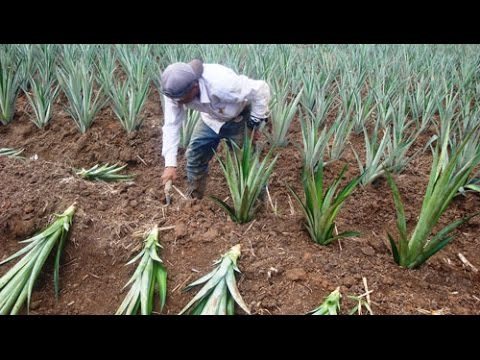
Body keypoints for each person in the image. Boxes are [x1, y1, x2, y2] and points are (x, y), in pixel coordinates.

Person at [159, 59, 271, 199]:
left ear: (194, 87)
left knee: (246, 161)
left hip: (238, 117)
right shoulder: (174, 92)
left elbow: (261, 89)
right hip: (210, 119)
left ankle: (258, 201)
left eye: (181, 99)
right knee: (195, 155)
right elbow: (171, 124)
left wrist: (253, 124)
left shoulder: (223, 84)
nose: (177, 103)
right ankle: (195, 198)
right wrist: (170, 164)